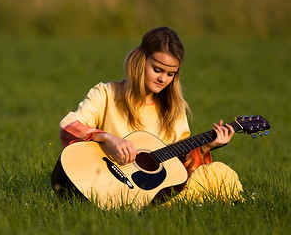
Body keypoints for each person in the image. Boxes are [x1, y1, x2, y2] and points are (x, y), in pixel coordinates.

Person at [59, 27, 243, 206]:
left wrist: (205, 147)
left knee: (221, 173)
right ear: (140, 61)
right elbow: (69, 125)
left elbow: (179, 169)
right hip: (102, 180)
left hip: (152, 193)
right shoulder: (106, 94)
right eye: (157, 70)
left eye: (170, 74)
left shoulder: (174, 109)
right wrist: (107, 138)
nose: (163, 79)